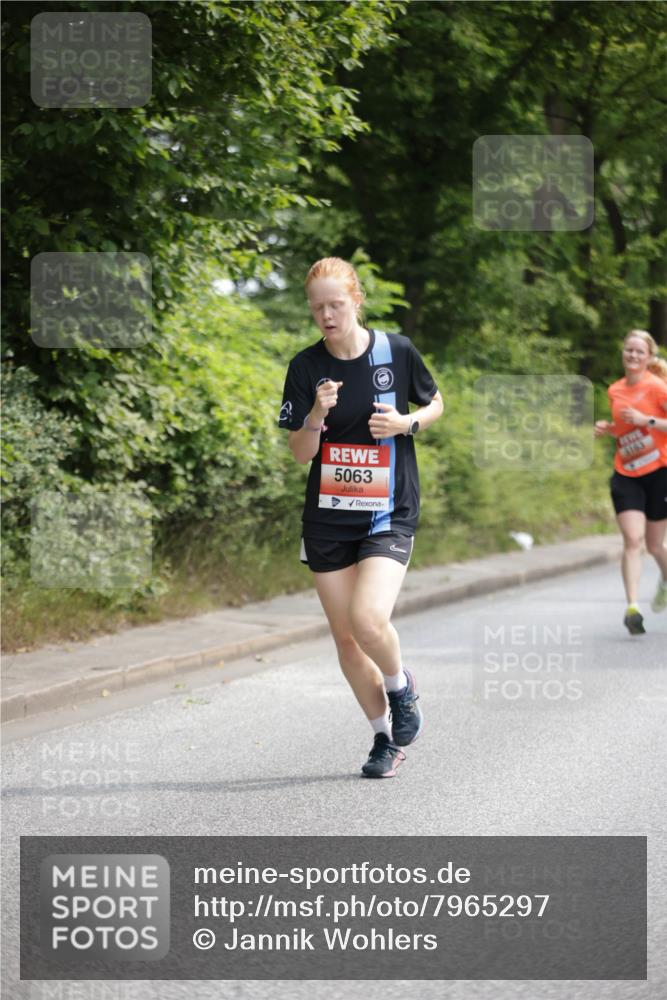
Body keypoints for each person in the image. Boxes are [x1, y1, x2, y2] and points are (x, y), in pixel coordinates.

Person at [278, 257, 443, 777]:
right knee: (346, 637)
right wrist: (316, 416)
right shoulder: (306, 368)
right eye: (317, 307)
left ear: (356, 300)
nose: (327, 315)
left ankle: (401, 687)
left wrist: (406, 422)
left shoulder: (396, 351)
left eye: (336, 304)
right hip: (327, 518)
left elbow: (435, 402)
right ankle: (383, 740)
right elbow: (300, 453)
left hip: (388, 511)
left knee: (368, 621)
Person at [594, 329, 667, 634]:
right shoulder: (615, 390)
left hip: (659, 472)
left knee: (654, 545)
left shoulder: (658, 388)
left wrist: (646, 421)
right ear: (623, 354)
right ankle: (632, 607)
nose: (633, 355)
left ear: (649, 357)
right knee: (633, 540)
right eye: (629, 350)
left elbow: (649, 424)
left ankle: (664, 579)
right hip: (626, 472)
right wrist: (608, 429)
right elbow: (625, 429)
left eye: (639, 351)